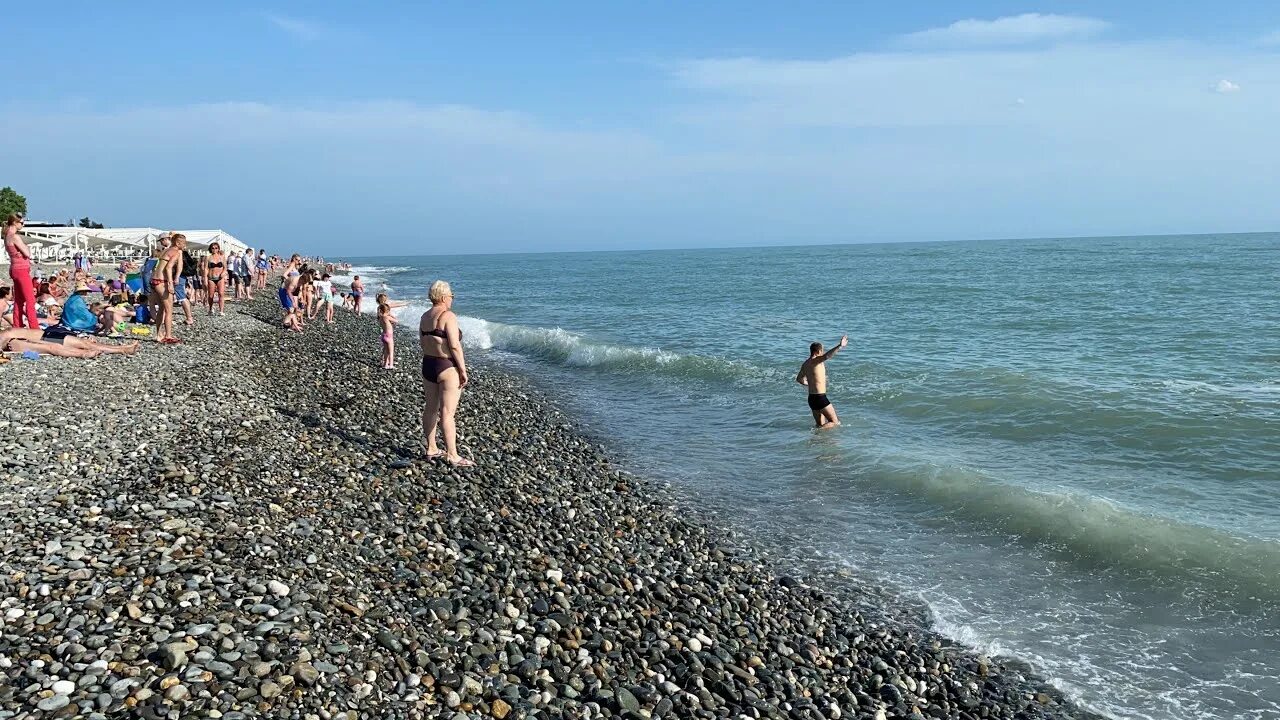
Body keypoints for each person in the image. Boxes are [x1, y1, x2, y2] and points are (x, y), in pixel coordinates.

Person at [419, 280, 472, 466]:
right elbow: (455, 346)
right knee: (448, 413)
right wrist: (463, 370)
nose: (452, 299)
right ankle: (452, 454)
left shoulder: (424, 316)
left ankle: (431, 447)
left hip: (428, 364)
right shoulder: (448, 316)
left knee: (430, 408)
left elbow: (422, 343)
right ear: (443, 297)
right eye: (451, 296)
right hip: (447, 366)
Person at [796, 334, 849, 429]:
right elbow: (827, 356)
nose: (823, 352)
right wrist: (839, 346)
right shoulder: (816, 361)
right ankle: (816, 432)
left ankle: (817, 440)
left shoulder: (805, 364)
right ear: (818, 351)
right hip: (820, 398)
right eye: (822, 350)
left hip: (811, 399)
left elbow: (799, 379)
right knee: (834, 422)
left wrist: (809, 384)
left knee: (819, 425)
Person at [0, 327, 139, 357]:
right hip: (15, 342)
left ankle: (122, 349)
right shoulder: (6, 336)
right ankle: (83, 355)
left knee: (85, 343)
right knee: (51, 347)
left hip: (45, 334)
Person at [4, 214, 40, 329]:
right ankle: (34, 327)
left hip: (14, 268)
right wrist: (26, 248)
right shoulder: (15, 236)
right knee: (30, 300)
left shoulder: (7, 236)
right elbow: (27, 253)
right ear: (15, 222)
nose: (23, 225)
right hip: (21, 270)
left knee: (19, 300)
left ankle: (17, 325)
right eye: (22, 223)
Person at [202, 242, 228, 316]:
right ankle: (210, 309)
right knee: (210, 295)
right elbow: (206, 269)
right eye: (213, 248)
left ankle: (221, 311)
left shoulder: (222, 257)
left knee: (221, 294)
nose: (214, 249)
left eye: (216, 248)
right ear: (210, 249)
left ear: (218, 249)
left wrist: (223, 273)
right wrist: (205, 279)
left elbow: (225, 267)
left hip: (220, 277)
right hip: (211, 277)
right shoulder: (208, 258)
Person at [378, 301, 396, 369]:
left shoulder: (380, 317)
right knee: (391, 351)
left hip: (383, 336)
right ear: (388, 310)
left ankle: (385, 364)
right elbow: (396, 321)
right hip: (389, 336)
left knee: (386, 351)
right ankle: (391, 365)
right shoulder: (387, 317)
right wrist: (391, 315)